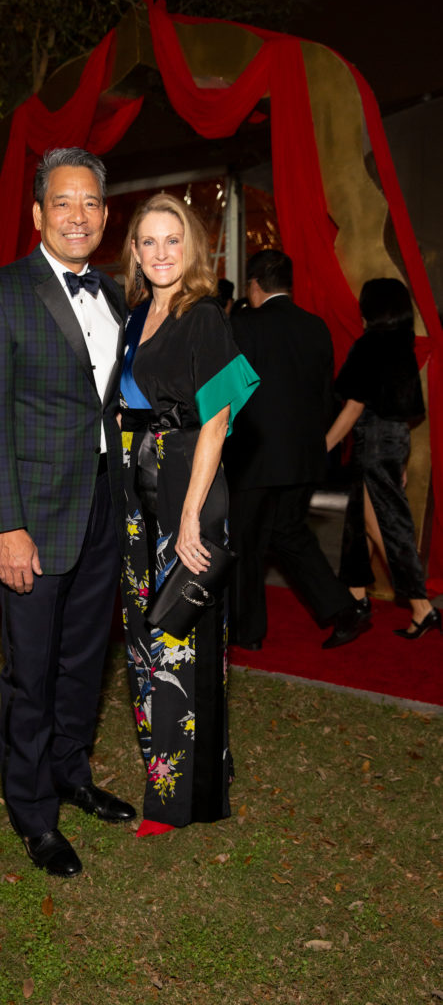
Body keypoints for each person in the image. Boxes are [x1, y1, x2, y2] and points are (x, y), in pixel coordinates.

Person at [0, 147, 135, 878]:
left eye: (90, 202)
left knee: (85, 661)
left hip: (102, 506)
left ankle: (71, 775)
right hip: (32, 515)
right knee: (31, 671)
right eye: (63, 202)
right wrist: (6, 525)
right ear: (37, 214)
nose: (78, 215)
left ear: (104, 213)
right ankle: (33, 814)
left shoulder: (116, 295)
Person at [119, 193, 259, 835]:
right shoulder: (136, 315)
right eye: (148, 242)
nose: (161, 253)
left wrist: (194, 517)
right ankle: (175, 763)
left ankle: (181, 796)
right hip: (138, 491)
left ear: (192, 246)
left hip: (188, 490)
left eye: (172, 239)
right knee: (147, 634)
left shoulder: (203, 315)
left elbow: (218, 419)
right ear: (135, 252)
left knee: (182, 637)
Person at [225, 249, 368, 651]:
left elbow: (233, 394)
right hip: (304, 456)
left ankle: (247, 634)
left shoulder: (244, 325)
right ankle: (345, 610)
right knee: (288, 533)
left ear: (253, 285)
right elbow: (325, 398)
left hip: (254, 457)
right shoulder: (316, 327)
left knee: (245, 544)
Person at [326, 278, 440, 639]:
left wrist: (322, 445)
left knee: (385, 528)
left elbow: (354, 407)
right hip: (393, 441)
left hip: (373, 443)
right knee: (359, 523)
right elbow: (406, 411)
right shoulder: (402, 346)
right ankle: (357, 597)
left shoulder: (370, 346)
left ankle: (421, 608)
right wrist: (401, 460)